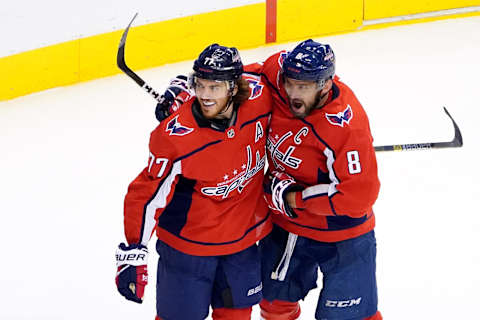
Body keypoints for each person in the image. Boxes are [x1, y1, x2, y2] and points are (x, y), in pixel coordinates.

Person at [115, 43, 273, 320]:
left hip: (241, 244)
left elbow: (275, 71)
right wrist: (133, 249)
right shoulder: (175, 137)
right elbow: (145, 195)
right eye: (199, 85)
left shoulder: (260, 98)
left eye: (214, 87)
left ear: (234, 88)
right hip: (187, 250)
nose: (204, 95)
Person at [244, 39, 382, 320]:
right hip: (287, 224)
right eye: (290, 83)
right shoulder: (277, 73)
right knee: (273, 303)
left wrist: (295, 197)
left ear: (325, 85)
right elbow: (233, 80)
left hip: (343, 233)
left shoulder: (347, 127)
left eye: (303, 87)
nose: (292, 93)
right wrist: (186, 93)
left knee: (350, 315)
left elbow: (359, 196)